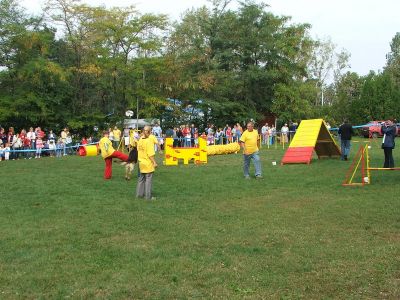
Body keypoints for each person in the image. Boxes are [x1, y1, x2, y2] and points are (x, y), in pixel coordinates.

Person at [136, 126, 157, 200]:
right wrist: (154, 162)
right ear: (150, 131)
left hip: (140, 162)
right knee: (148, 180)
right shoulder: (148, 141)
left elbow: (138, 149)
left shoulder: (140, 139)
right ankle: (148, 196)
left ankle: (139, 195)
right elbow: (150, 154)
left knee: (141, 179)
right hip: (147, 163)